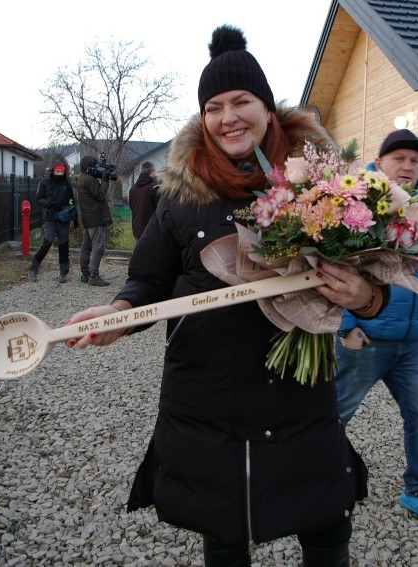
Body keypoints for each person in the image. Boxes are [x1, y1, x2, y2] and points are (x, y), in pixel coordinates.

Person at [64, 24, 380, 566]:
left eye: (242, 101)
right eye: (214, 107)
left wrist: (365, 296)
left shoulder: (322, 188)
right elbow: (149, 281)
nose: (228, 116)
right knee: (224, 533)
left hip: (299, 394)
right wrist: (119, 312)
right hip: (206, 398)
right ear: (202, 118)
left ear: (268, 108)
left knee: (327, 527)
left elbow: (373, 286)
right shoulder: (180, 197)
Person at [333, 129, 418, 528]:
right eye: (399, 158)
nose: (408, 166)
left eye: (415, 161)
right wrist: (348, 327)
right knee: (334, 414)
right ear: (381, 161)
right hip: (366, 340)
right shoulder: (359, 204)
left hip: (416, 343)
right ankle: (309, 482)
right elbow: (333, 266)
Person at [29, 159, 76, 284]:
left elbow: (72, 201)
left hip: (64, 218)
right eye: (57, 171)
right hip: (50, 217)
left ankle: (63, 273)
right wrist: (50, 204)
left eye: (61, 171)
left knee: (63, 246)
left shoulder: (67, 184)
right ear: (52, 171)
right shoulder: (45, 182)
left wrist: (73, 215)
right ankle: (34, 267)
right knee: (47, 243)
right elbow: (39, 198)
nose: (59, 173)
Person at [76, 155, 112, 287]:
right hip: (95, 218)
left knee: (86, 246)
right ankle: (94, 276)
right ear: (89, 168)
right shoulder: (90, 179)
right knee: (98, 247)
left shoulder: (82, 178)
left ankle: (85, 274)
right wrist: (105, 180)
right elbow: (100, 195)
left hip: (87, 217)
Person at [129, 160, 160, 246]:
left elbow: (131, 206)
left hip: (137, 228)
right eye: (154, 171)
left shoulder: (133, 189)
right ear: (151, 172)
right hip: (151, 229)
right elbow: (159, 209)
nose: (155, 174)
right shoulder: (153, 188)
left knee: (139, 255)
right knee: (151, 257)